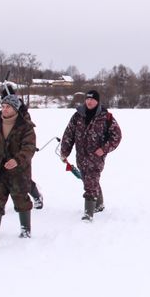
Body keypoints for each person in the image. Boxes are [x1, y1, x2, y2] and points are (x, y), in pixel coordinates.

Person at [0, 94, 37, 246]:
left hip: (19, 172)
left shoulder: (26, 126)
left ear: (15, 109)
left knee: (21, 200)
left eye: (8, 107)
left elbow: (29, 148)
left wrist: (17, 160)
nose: (4, 109)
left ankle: (26, 230)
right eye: (3, 106)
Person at [60, 90, 123, 221]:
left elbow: (117, 136)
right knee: (88, 180)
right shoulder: (77, 116)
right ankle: (99, 204)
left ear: (97, 101)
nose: (89, 102)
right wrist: (65, 151)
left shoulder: (106, 117)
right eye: (87, 99)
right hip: (81, 157)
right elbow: (68, 135)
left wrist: (104, 149)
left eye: (92, 99)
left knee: (90, 182)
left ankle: (88, 214)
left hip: (96, 157)